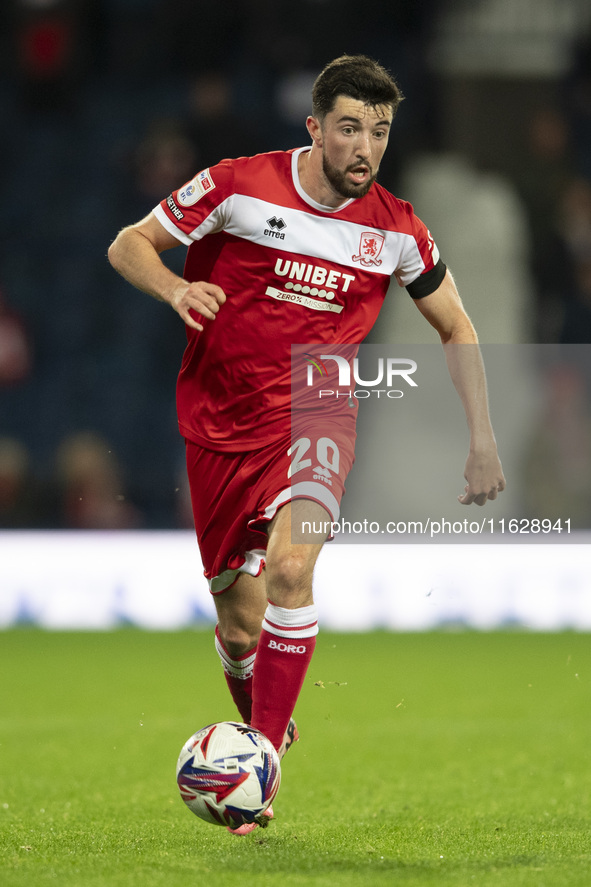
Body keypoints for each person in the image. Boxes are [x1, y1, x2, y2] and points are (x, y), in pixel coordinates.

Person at [108, 54, 505, 834]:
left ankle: (259, 765)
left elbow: (456, 326)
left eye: (380, 132)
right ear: (315, 126)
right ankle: (263, 728)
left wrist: (482, 440)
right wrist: (176, 286)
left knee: (291, 569)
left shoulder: (397, 230)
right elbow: (129, 244)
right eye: (351, 128)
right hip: (219, 419)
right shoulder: (235, 186)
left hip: (318, 409)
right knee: (238, 628)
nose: (365, 147)